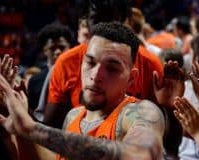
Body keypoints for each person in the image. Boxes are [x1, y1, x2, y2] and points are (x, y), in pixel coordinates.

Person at [0, 22, 166, 160]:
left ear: (131, 79)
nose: (96, 76)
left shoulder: (142, 112)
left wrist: (32, 129)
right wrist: (21, 131)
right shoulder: (73, 116)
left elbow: (141, 155)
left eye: (112, 69)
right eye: (90, 62)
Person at [45, 0, 163, 128]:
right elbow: (50, 130)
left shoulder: (150, 64)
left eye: (112, 68)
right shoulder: (66, 62)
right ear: (86, 21)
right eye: (90, 63)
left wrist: (168, 108)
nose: (103, 27)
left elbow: (166, 138)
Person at [27, 24, 73, 114]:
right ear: (45, 51)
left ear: (69, 47)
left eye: (62, 47)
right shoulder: (35, 81)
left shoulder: (79, 77)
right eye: (52, 48)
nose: (58, 52)